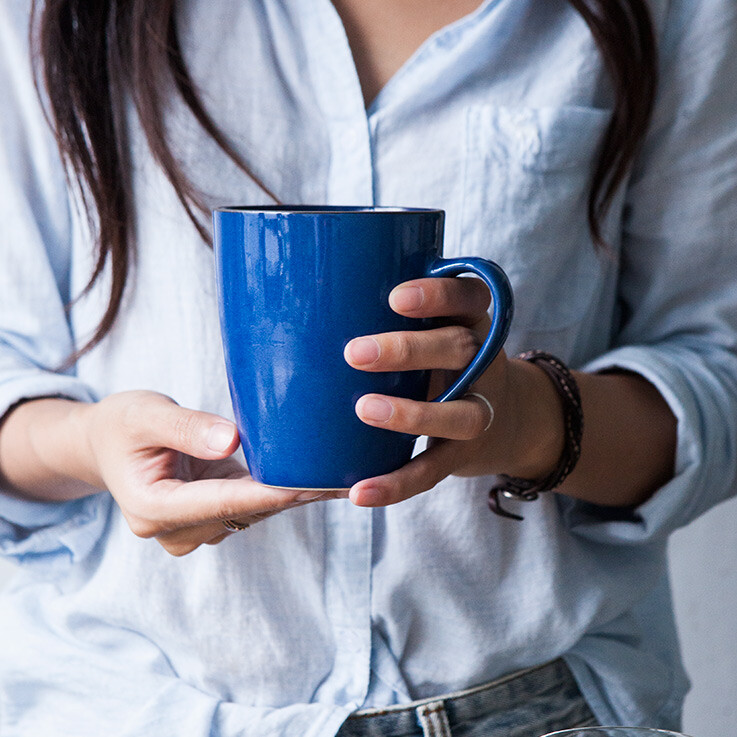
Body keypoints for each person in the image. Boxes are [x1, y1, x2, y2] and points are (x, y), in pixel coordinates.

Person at [0, 0, 735, 735]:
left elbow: (717, 373)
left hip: (537, 707)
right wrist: (92, 444)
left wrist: (527, 419)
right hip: (131, 699)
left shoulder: (674, 13)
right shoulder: (46, 17)